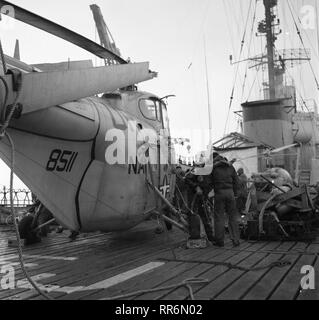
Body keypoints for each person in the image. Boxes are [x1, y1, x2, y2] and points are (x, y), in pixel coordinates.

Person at [210, 152, 241, 247]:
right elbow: (236, 181)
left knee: (219, 217)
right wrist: (235, 194)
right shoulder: (230, 166)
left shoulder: (213, 167)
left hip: (219, 193)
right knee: (232, 217)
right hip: (230, 193)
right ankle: (235, 240)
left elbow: (208, 182)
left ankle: (219, 241)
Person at [185, 172, 214, 242]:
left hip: (203, 196)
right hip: (194, 197)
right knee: (193, 216)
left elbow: (209, 185)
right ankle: (195, 236)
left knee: (206, 216)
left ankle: (210, 237)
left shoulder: (211, 173)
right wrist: (196, 187)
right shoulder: (197, 170)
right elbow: (187, 179)